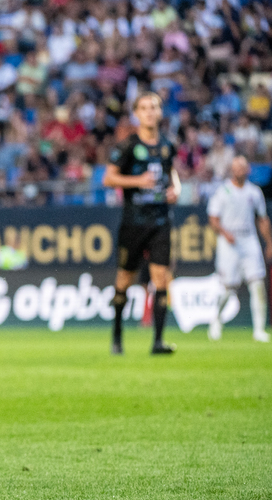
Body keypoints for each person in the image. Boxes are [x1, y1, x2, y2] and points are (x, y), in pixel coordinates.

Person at [104, 92, 181, 355]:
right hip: (134, 223)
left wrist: (176, 188)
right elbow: (109, 178)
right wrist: (137, 181)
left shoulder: (167, 145)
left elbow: (171, 172)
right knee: (124, 279)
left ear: (160, 112)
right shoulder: (127, 146)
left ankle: (158, 341)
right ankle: (117, 337)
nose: (149, 112)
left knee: (161, 279)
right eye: (144, 108)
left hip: (160, 221)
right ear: (136, 114)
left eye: (154, 107)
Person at [207, 156, 272, 342]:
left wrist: (270, 243)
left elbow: (262, 219)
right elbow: (213, 219)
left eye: (242, 167)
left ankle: (259, 329)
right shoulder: (223, 191)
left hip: (249, 239)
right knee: (228, 289)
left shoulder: (254, 192)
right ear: (232, 170)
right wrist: (225, 233)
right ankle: (216, 318)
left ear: (248, 170)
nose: (239, 170)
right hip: (229, 242)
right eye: (236, 167)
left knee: (257, 284)